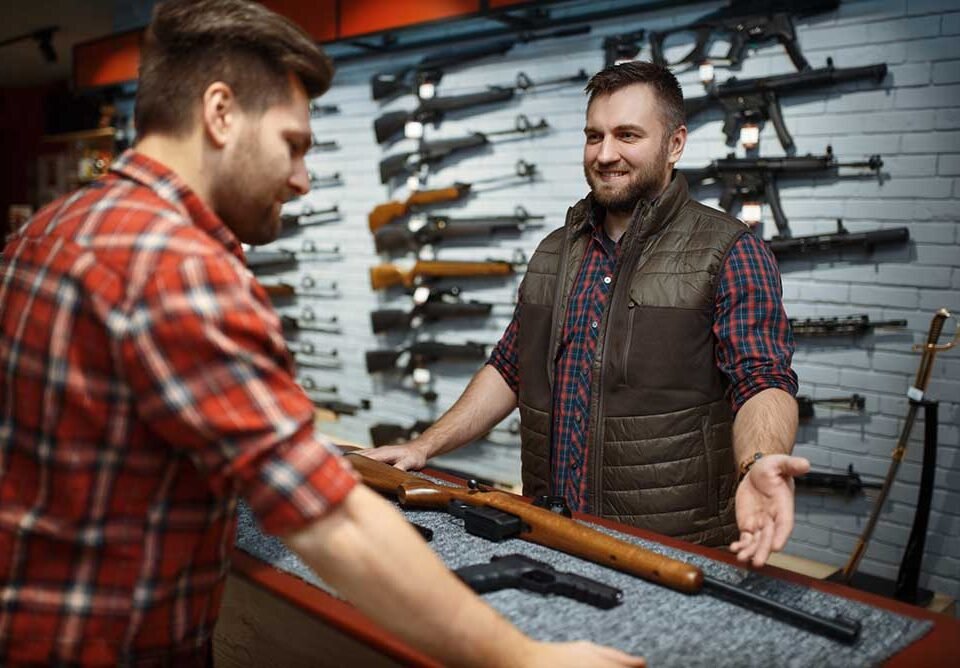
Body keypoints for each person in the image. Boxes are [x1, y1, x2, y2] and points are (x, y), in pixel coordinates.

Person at [0, 2, 644, 666]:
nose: (302, 181)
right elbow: (332, 523)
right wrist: (522, 657)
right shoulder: (181, 268)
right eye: (293, 144)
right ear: (220, 113)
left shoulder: (52, 228)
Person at [364, 61, 811, 569]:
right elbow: (509, 368)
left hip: (667, 550)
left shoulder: (730, 250)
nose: (605, 154)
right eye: (594, 136)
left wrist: (757, 462)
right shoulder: (553, 252)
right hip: (548, 529)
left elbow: (762, 379)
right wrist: (425, 446)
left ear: (675, 144)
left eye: (627, 135)